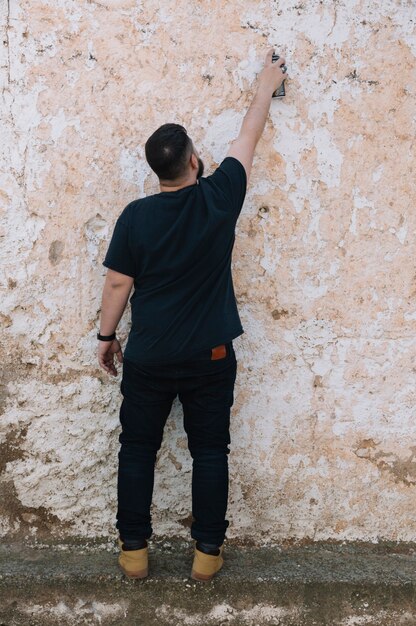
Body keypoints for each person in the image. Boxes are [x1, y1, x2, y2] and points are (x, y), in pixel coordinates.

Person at [97, 48, 288, 582]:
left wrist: (106, 336)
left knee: (137, 449)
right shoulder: (220, 196)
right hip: (211, 354)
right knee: (210, 452)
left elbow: (118, 282)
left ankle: (134, 551)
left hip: (151, 356)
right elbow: (247, 138)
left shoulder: (135, 216)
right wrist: (264, 87)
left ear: (156, 169)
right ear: (194, 161)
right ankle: (207, 554)